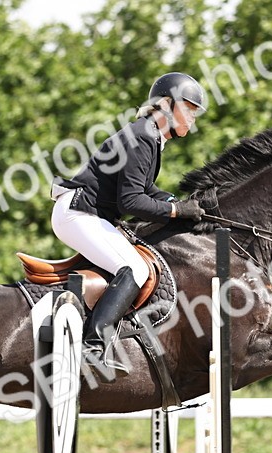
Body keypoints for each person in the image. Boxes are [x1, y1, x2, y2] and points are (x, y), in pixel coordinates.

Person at [50, 72, 207, 378]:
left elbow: (145, 192)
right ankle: (92, 346)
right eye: (187, 107)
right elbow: (131, 203)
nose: (192, 117)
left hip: (89, 214)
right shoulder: (143, 136)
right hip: (79, 213)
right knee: (135, 269)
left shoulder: (150, 136)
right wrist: (176, 211)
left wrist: (181, 203)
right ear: (165, 104)